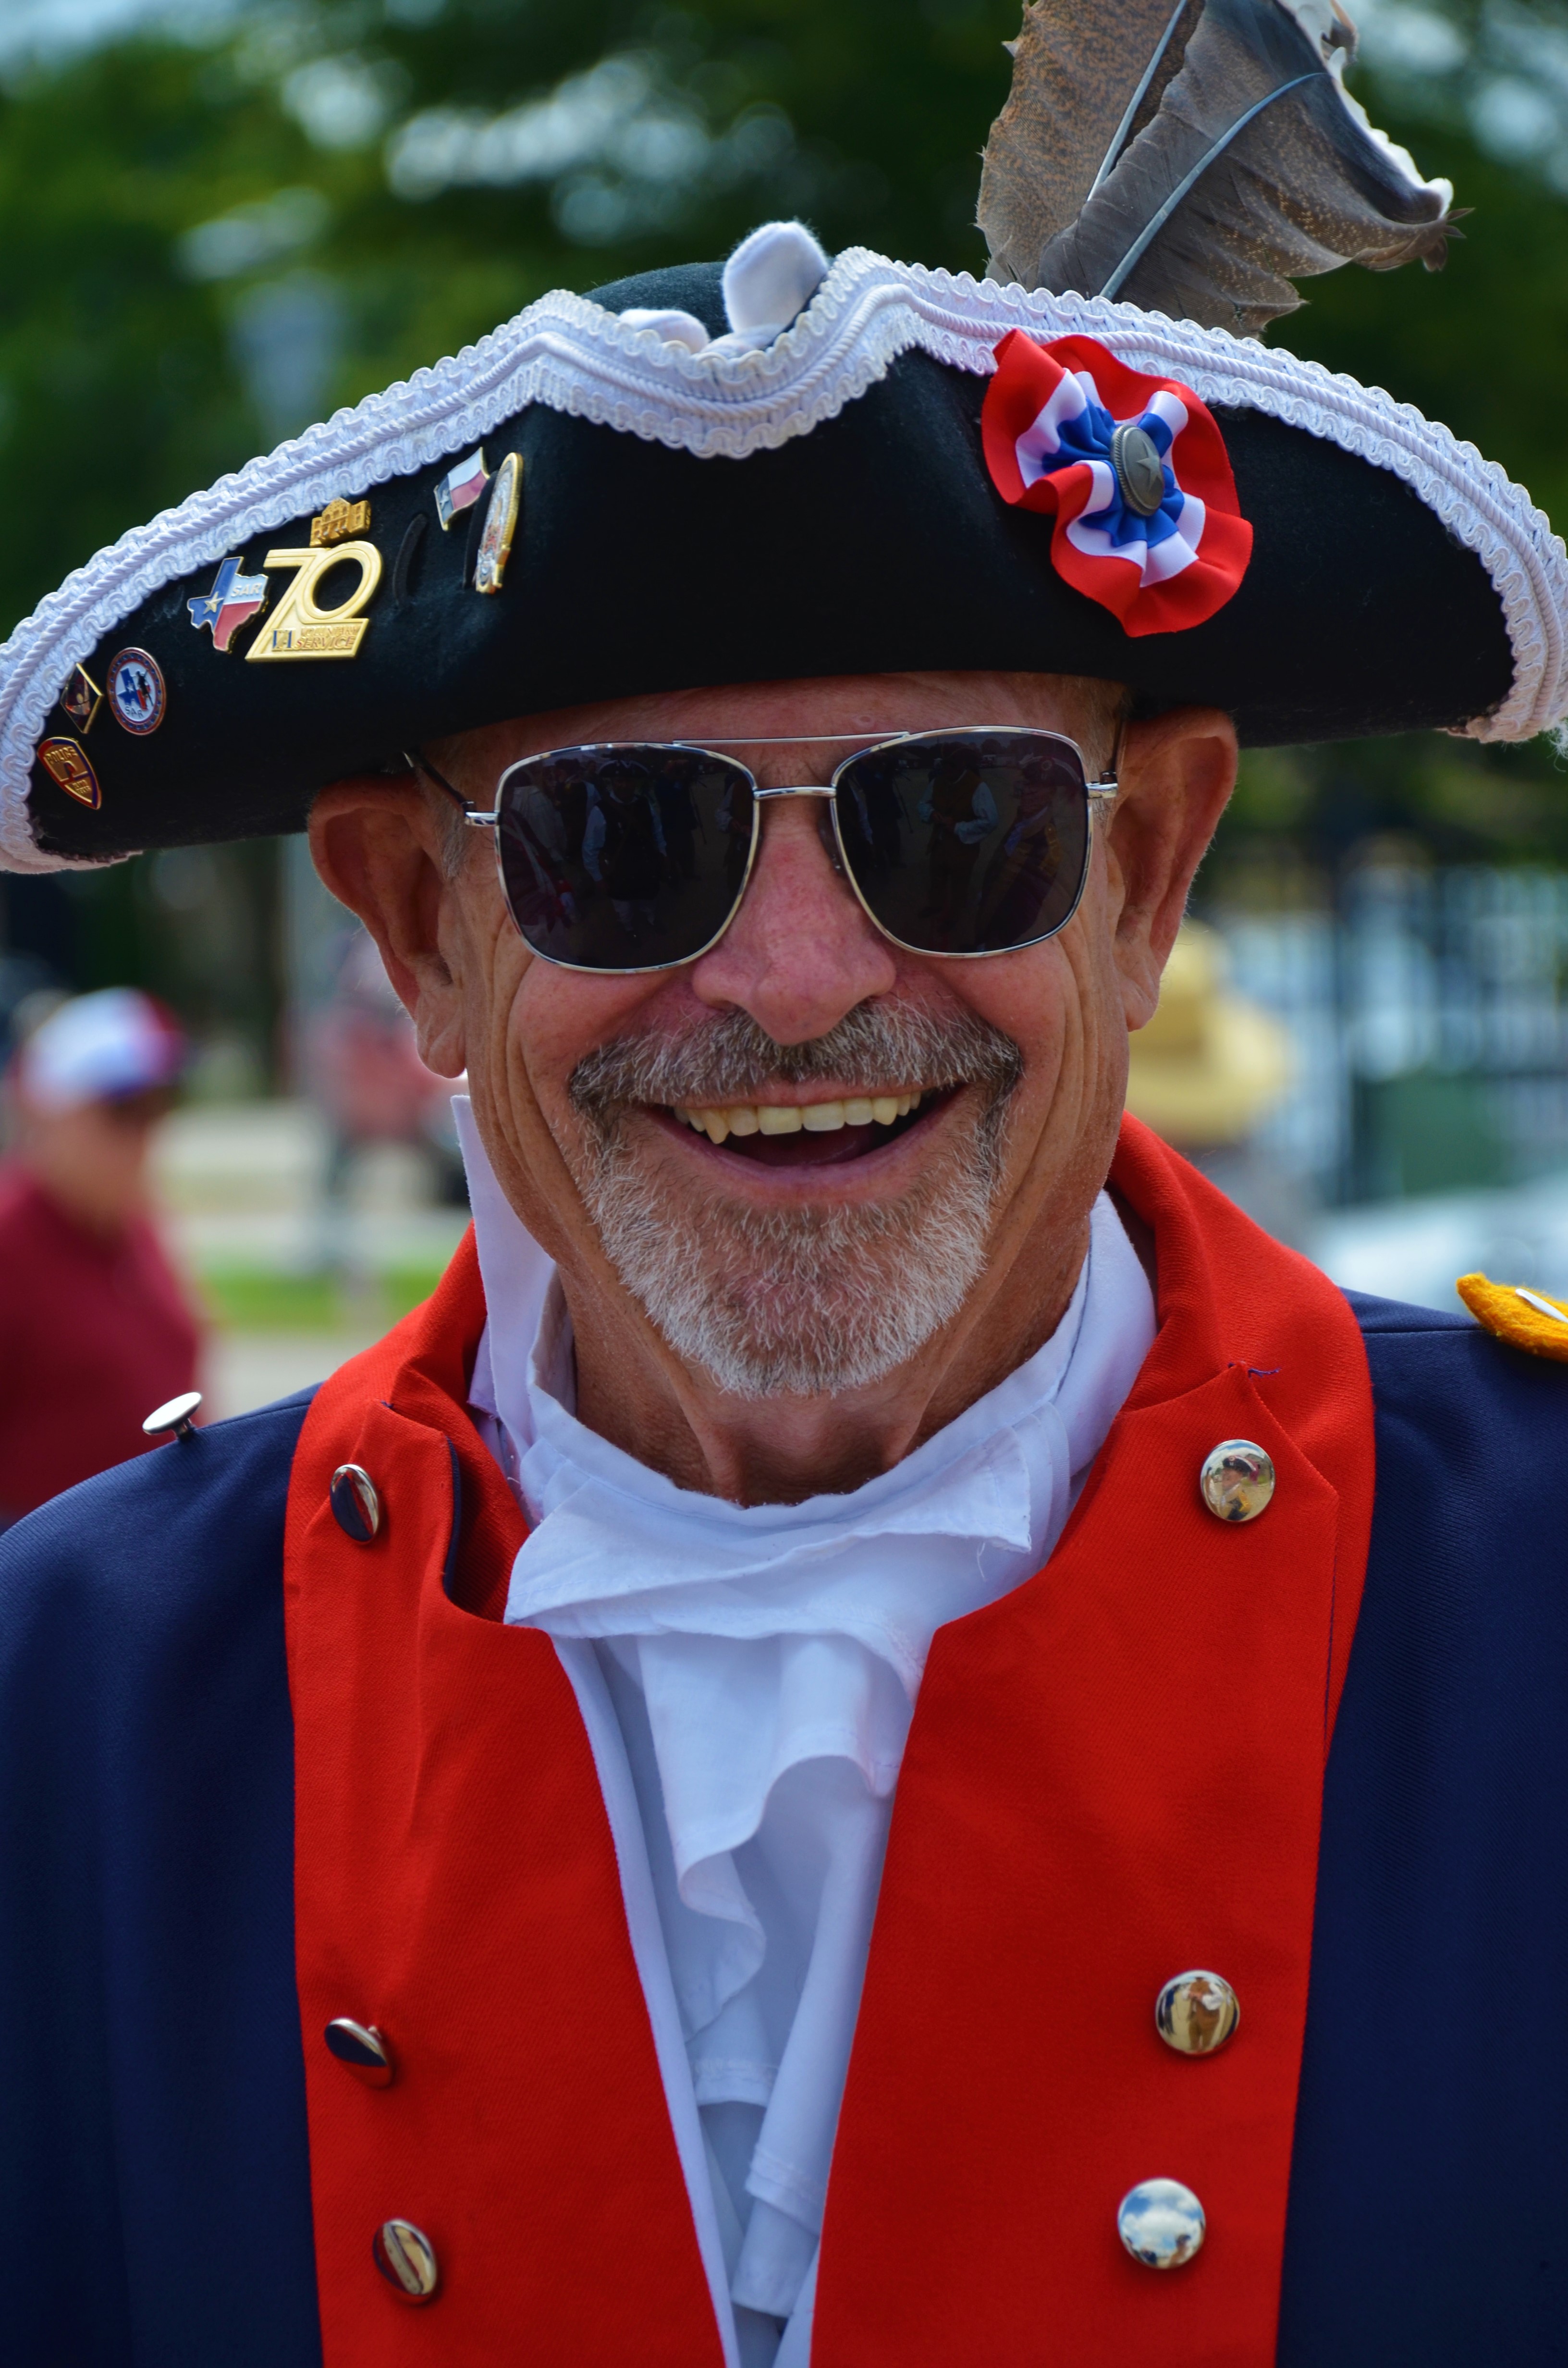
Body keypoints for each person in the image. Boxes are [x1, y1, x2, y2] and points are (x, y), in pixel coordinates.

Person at [0, 6, 1565, 2363]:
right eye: (624, 842)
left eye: (962, 821)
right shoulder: (75, 1711)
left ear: (1146, 879)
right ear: (418, 927)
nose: (803, 978)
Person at [0, 987, 200, 1525]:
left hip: (157, 1539)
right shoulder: (10, 1241)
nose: (145, 1136)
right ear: (47, 1112)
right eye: (123, 1111)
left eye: (158, 1107)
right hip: (48, 1559)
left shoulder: (132, 1224)